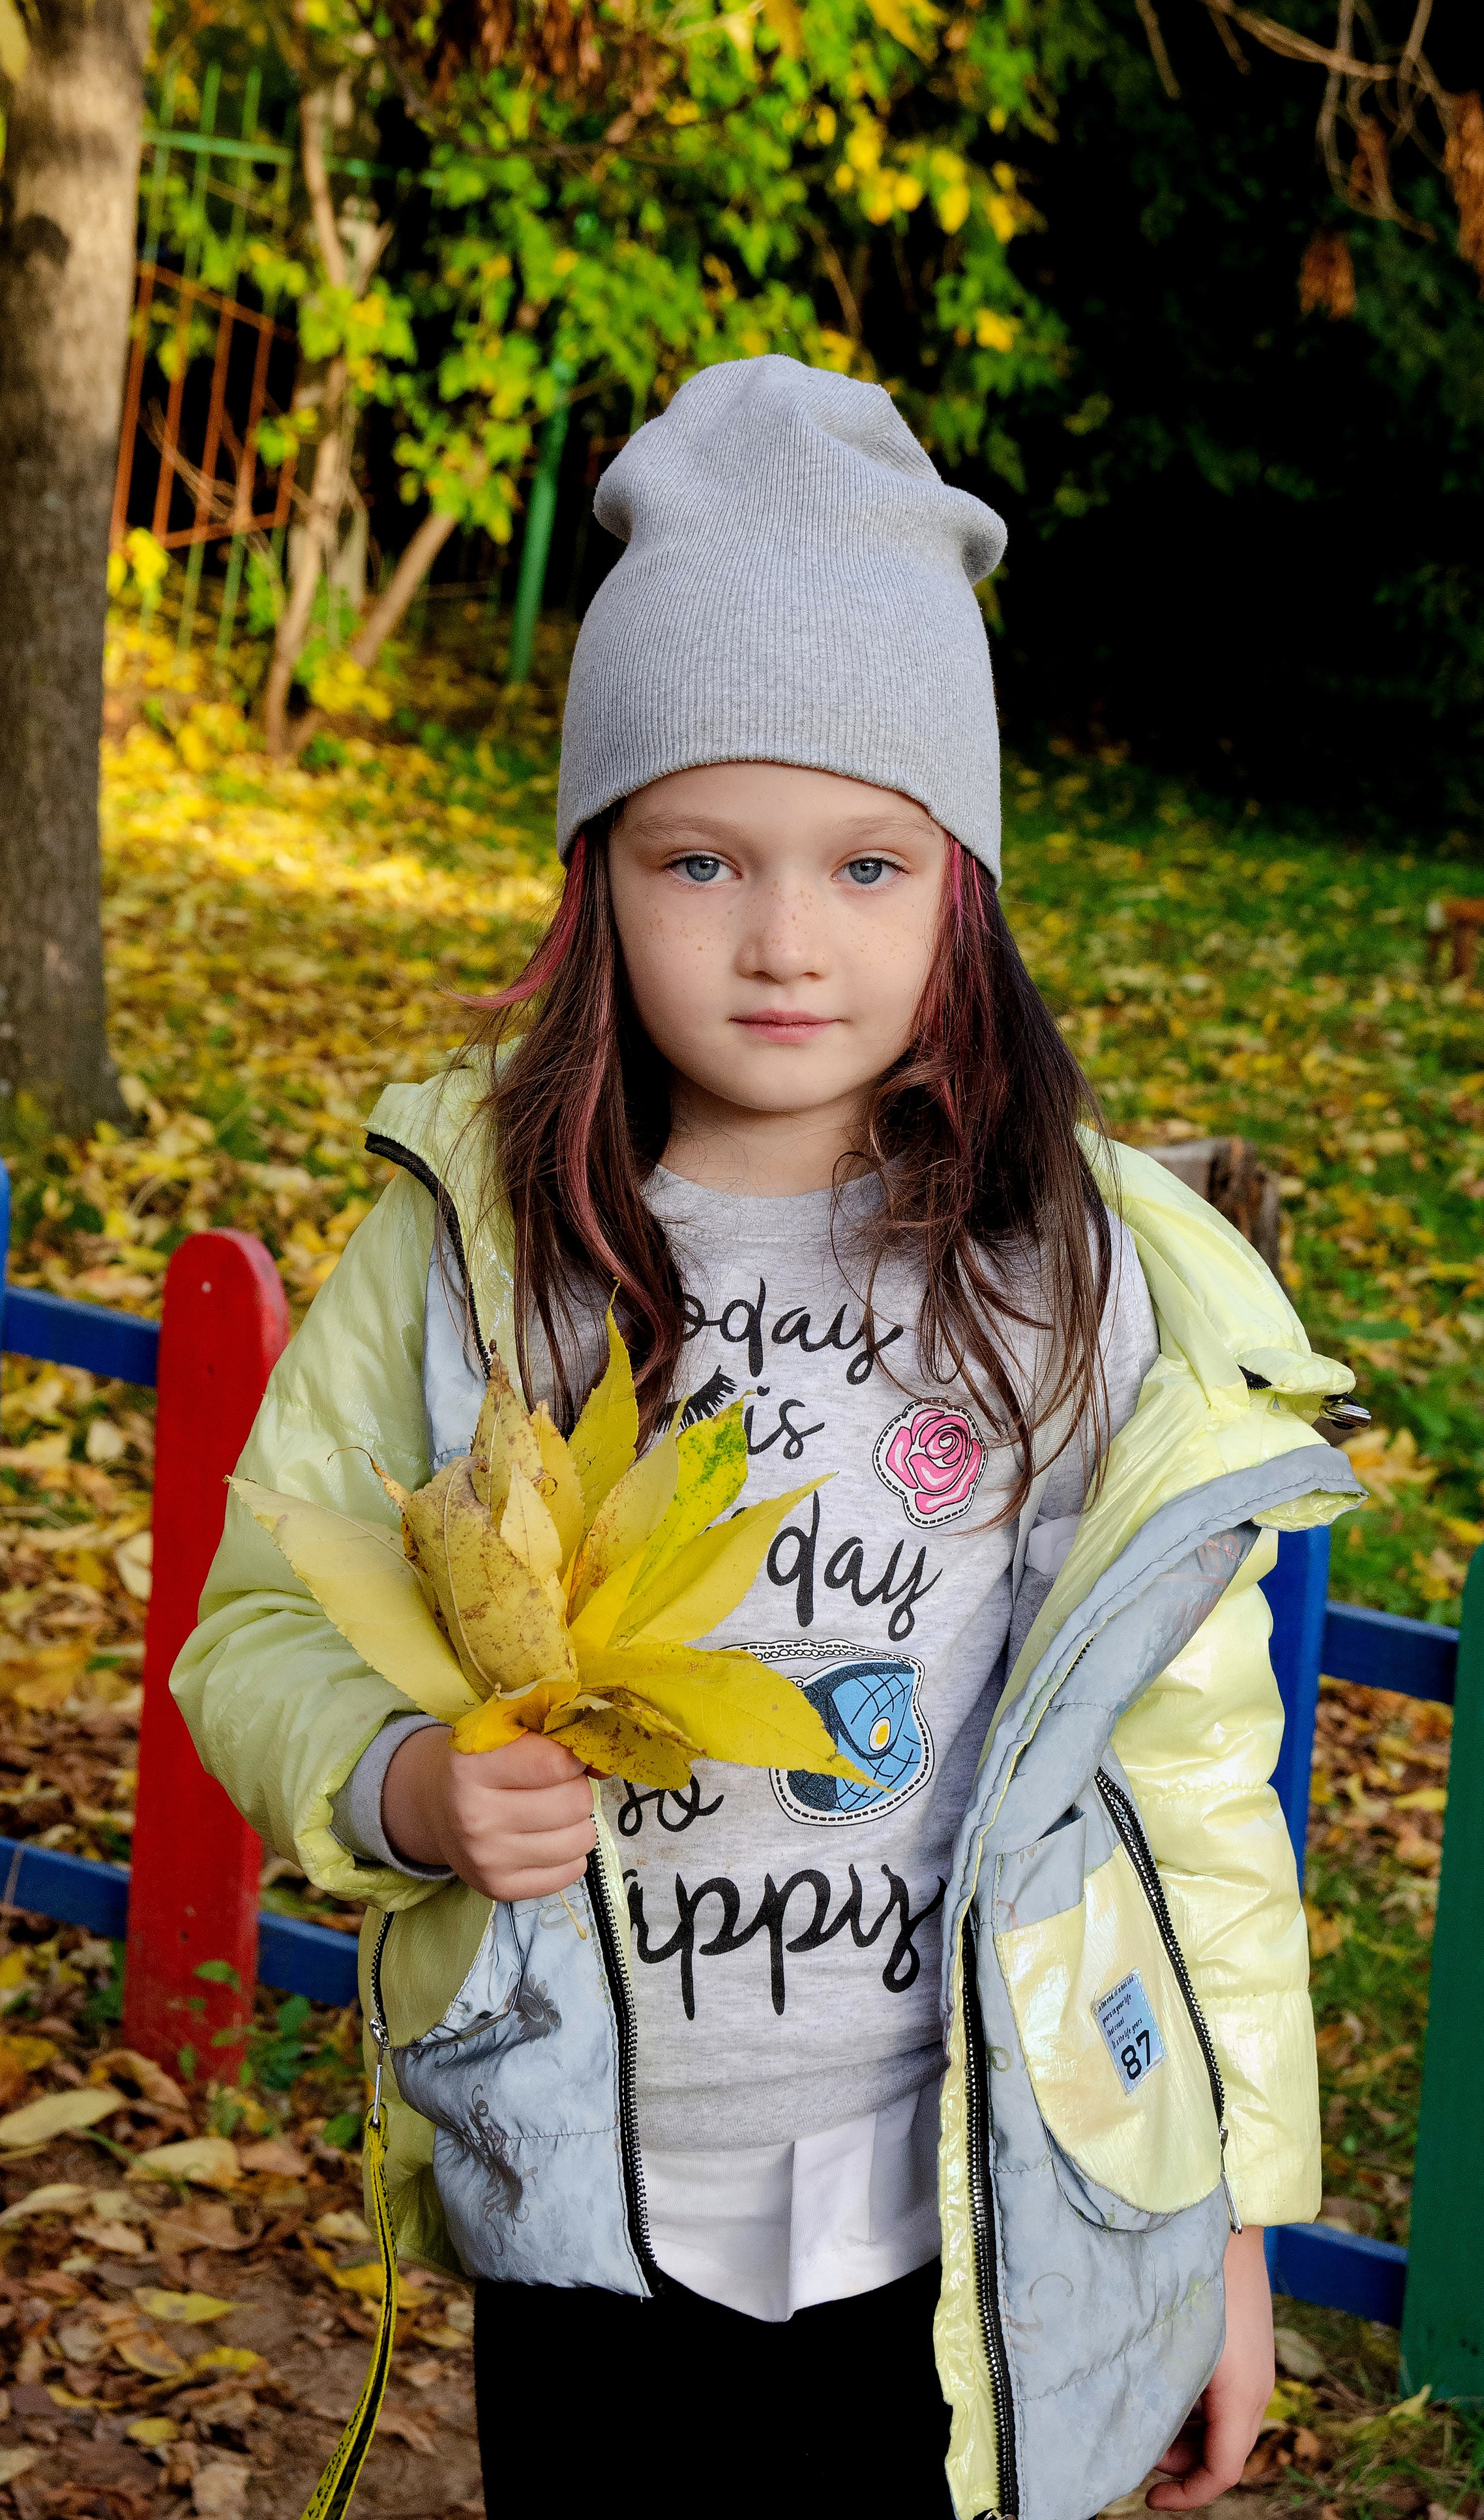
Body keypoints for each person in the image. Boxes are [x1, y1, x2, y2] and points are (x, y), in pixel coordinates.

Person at [174, 357, 1360, 2520]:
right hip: (591, 2224)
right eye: (701, 855)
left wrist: (1226, 2243)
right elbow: (260, 1615)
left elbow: (1191, 1792)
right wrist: (406, 1784)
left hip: (960, 2232)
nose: (786, 939)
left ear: (963, 889)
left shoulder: (1069, 1281)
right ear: (595, 870)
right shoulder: (475, 1246)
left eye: (867, 862)